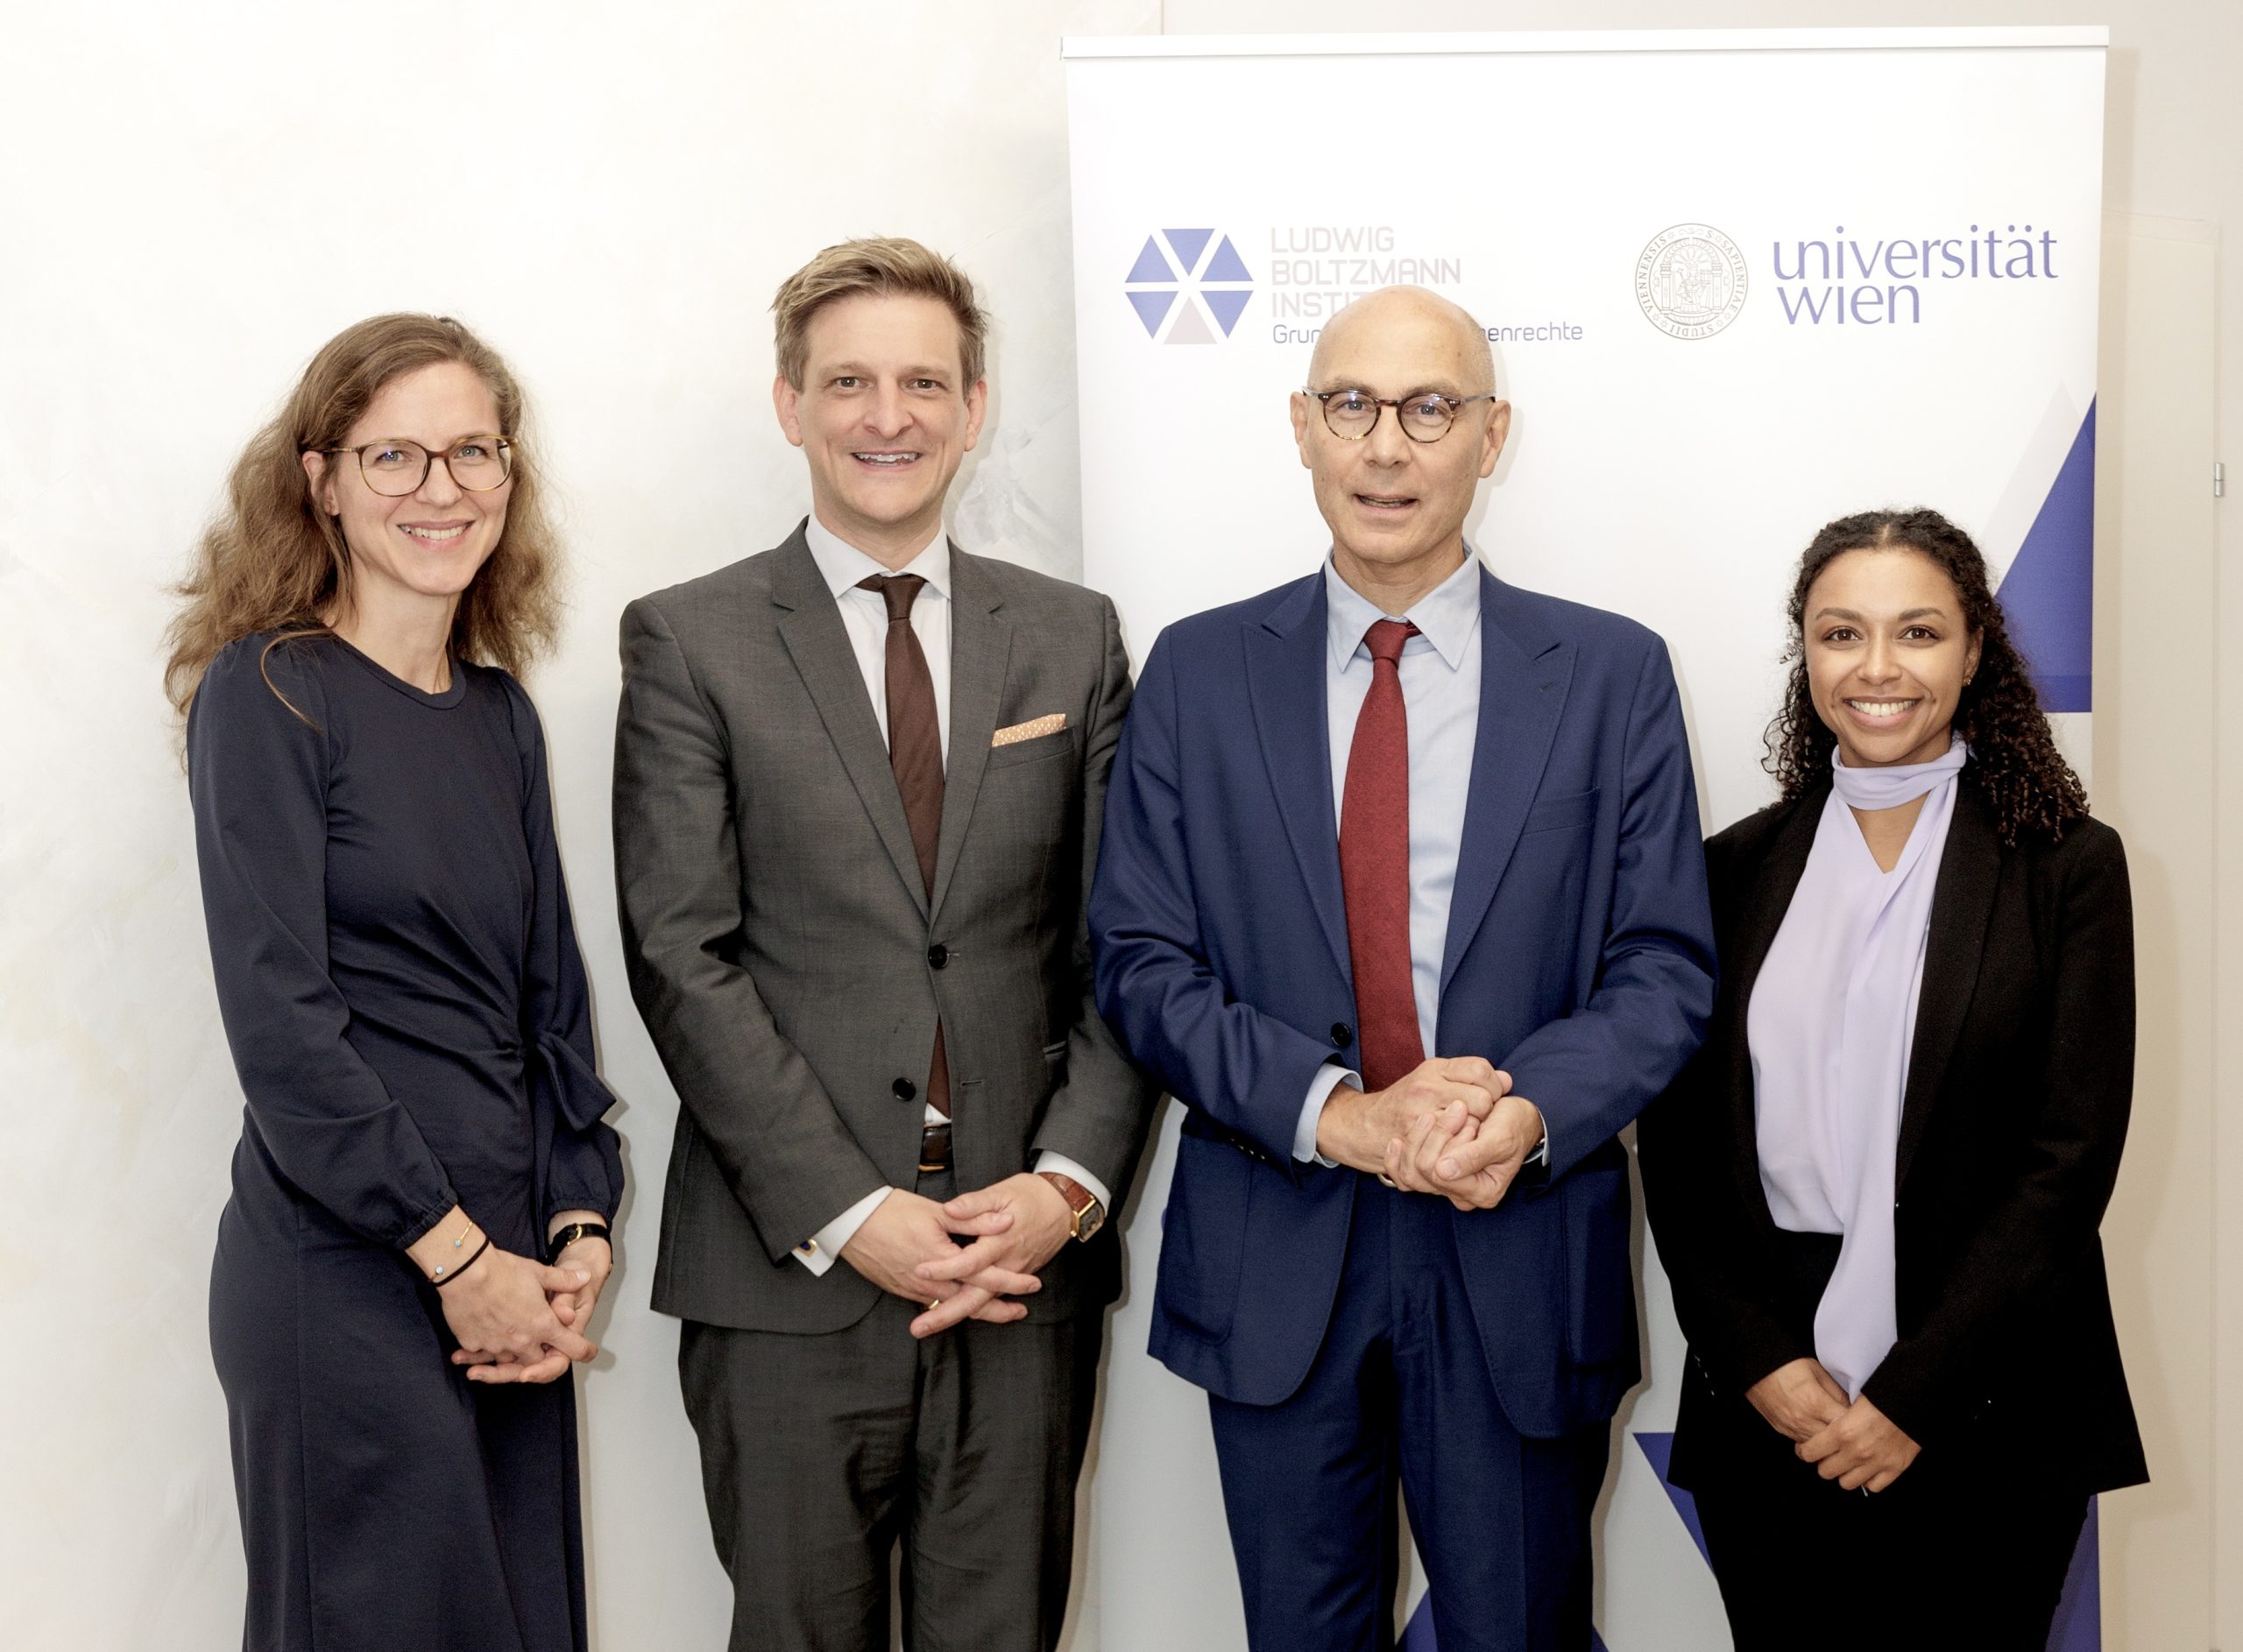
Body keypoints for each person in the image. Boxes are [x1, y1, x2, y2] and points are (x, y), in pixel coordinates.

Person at [1088, 286, 1716, 1650]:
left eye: (1429, 409)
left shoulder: (1611, 674)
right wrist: (1342, 1115)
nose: (1387, 446)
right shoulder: (1196, 671)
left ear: (1492, 438)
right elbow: (1139, 959)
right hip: (1279, 1244)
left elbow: (1663, 964)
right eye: (1352, 406)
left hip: (1519, 1245)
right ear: (1301, 429)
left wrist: (1527, 1111)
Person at [613, 237, 1157, 1652]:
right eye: (848, 379)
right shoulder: (690, 639)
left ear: (977, 406)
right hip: (789, 1273)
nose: (887, 415)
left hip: (1019, 1265)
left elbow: (1127, 947)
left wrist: (1065, 1185)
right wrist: (857, 1214)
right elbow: (682, 956)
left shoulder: (1072, 637)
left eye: (924, 380)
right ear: (788, 402)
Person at [168, 313, 625, 1652]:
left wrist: (577, 1225)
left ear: (508, 472)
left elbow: (552, 1010)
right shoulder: (268, 695)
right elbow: (284, 1034)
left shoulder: (499, 713)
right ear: (320, 477)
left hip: (512, 1279)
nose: (442, 490)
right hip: (349, 1271)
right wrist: (456, 1254)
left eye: (471, 451)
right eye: (395, 457)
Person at [1637, 508, 2147, 1648]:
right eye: (1840, 633)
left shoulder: (2068, 866)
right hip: (1775, 1392)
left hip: (1991, 1384)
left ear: (1974, 652)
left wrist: (1918, 1392)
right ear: (1803, 652)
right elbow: (1678, 1153)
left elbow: (2068, 1163)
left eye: (1917, 632)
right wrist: (1762, 1363)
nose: (1876, 668)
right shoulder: (1728, 872)